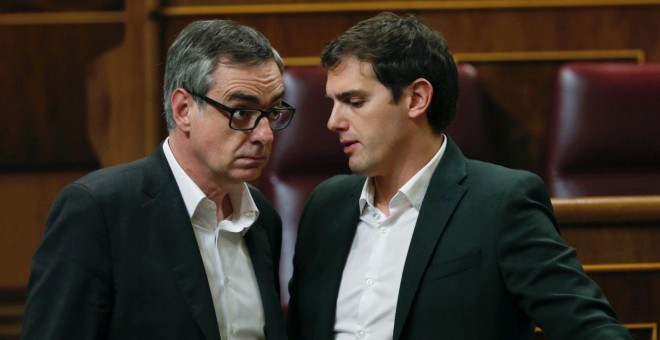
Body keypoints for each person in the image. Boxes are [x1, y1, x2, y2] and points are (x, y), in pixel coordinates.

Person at [286, 12, 631, 340]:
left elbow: (589, 327)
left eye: (354, 101)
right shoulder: (325, 206)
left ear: (416, 99)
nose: (334, 122)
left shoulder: (500, 203)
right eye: (333, 102)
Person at [22, 19, 293, 340]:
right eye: (242, 113)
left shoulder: (262, 218)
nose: (264, 135)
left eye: (273, 112)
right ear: (183, 109)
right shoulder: (99, 212)